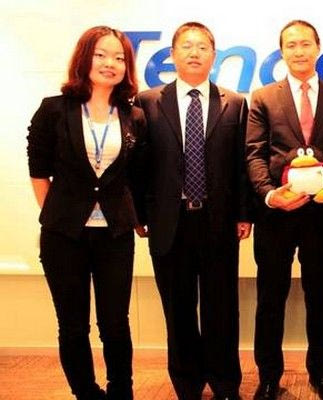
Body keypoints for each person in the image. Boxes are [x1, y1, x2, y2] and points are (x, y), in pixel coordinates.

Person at [133, 22, 252, 400]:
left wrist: (244, 213)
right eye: (186, 46)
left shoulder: (234, 102)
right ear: (172, 54)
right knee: (178, 308)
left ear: (214, 56)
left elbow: (241, 165)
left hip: (218, 221)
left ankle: (225, 383)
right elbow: (139, 163)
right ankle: (186, 383)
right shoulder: (147, 101)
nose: (195, 52)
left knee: (222, 308)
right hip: (169, 222)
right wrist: (139, 214)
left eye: (202, 47)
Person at [27, 26, 144, 400]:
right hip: (64, 237)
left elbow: (135, 176)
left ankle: (121, 391)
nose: (111, 63)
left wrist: (137, 217)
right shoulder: (54, 110)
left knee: (115, 324)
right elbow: (38, 170)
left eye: (119, 57)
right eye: (101, 55)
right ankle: (87, 393)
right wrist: (60, 217)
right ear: (84, 58)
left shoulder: (133, 115)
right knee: (73, 325)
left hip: (115, 235)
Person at [245, 19, 323, 400]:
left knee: (319, 297)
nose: (299, 51)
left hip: (320, 215)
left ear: (318, 48)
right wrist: (270, 195)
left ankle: (320, 373)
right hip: (276, 215)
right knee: (270, 299)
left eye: (305, 43)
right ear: (282, 51)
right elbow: (254, 154)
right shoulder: (263, 97)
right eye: (291, 45)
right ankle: (268, 377)